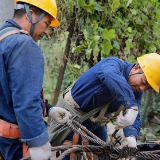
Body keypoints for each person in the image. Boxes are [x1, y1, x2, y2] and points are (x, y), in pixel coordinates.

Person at [49, 53, 160, 160]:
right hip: (71, 116)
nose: (142, 88)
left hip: (95, 123)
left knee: (107, 154)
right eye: (143, 82)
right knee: (69, 154)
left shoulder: (136, 92)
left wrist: (132, 137)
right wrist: (131, 105)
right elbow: (109, 74)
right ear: (136, 68)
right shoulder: (111, 65)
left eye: (148, 87)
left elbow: (135, 115)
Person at [0, 0, 72, 160]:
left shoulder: (3, 36)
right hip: (17, 144)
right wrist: (38, 142)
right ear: (30, 14)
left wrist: (48, 108)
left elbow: (10, 89)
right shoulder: (25, 45)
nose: (46, 31)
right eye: (46, 23)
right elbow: (26, 102)